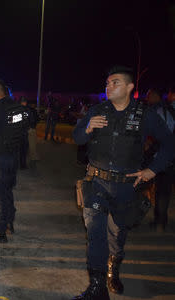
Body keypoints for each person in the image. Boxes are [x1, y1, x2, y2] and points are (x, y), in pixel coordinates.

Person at [72, 66, 174, 299]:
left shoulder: (145, 115)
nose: (109, 87)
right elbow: (77, 137)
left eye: (115, 82)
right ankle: (97, 287)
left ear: (129, 87)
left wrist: (152, 170)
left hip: (126, 186)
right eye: (107, 83)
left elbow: (169, 143)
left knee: (117, 234)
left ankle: (113, 269)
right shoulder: (98, 110)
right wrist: (87, 128)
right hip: (96, 181)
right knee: (95, 232)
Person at [0, 79, 29, 242]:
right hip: (14, 156)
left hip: (0, 156)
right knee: (7, 191)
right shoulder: (19, 108)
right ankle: (10, 222)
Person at [145, 88, 174, 232]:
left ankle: (160, 222)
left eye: (149, 96)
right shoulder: (164, 110)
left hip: (164, 156)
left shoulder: (160, 111)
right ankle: (160, 221)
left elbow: (161, 136)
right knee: (165, 190)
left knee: (162, 190)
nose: (147, 98)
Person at [20, 97, 39, 169]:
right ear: (25, 102)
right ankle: (23, 165)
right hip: (25, 132)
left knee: (19, 149)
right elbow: (32, 120)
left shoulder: (16, 110)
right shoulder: (28, 110)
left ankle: (19, 164)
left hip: (18, 132)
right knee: (24, 149)